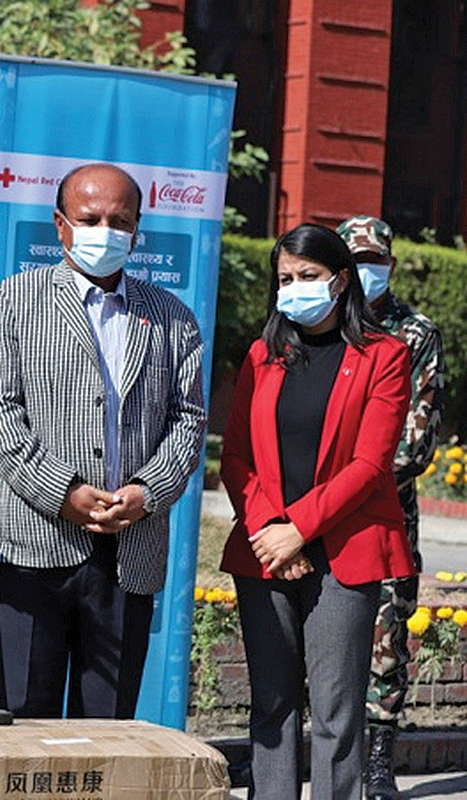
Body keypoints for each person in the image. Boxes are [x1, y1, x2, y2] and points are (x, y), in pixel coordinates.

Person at [0, 162, 207, 719]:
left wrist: (146, 492)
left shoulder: (173, 318)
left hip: (130, 551)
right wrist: (64, 493)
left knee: (107, 733)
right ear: (61, 225)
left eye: (119, 220)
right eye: (90, 218)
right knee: (21, 726)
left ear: (137, 228)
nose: (106, 230)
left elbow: (189, 421)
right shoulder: (14, 301)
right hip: (33, 544)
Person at [220, 223, 417, 799]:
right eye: (285, 278)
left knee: (336, 712)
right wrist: (269, 533)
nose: (295, 288)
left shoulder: (385, 356)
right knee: (272, 705)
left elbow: (370, 464)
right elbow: (235, 456)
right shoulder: (264, 355)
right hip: (266, 553)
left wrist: (300, 530)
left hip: (343, 553)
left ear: (341, 280)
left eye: (308, 276)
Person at [336, 215, 444, 799]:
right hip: (316, 518)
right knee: (310, 638)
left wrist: (346, 486)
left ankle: (378, 760)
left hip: (383, 515)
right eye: (353, 259)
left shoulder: (416, 334)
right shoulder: (319, 323)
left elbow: (416, 440)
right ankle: (310, 751)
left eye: (374, 260)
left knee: (384, 636)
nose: (364, 271)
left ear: (392, 266)